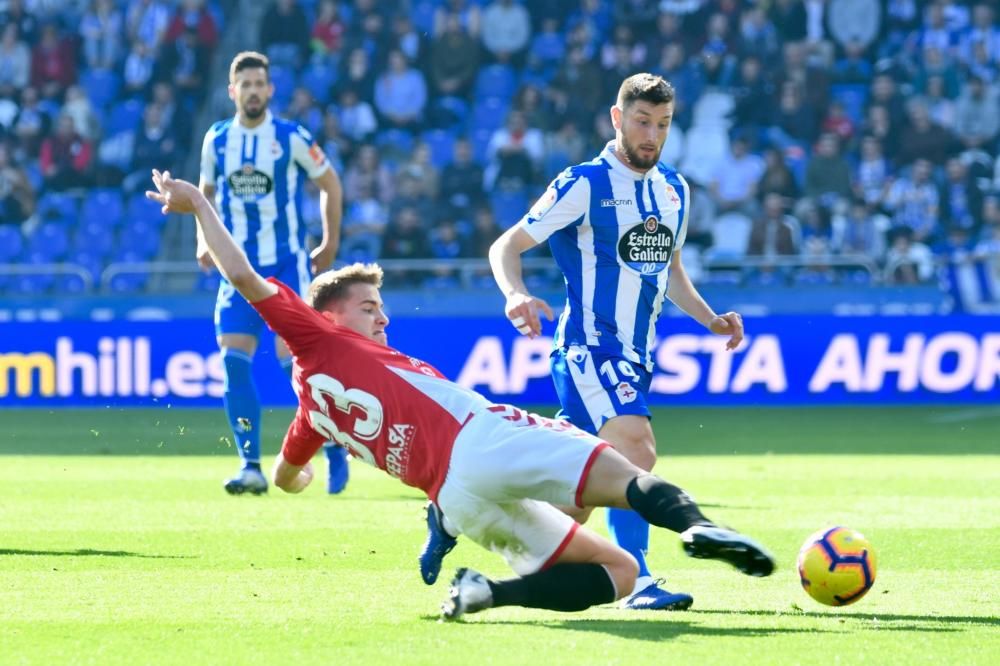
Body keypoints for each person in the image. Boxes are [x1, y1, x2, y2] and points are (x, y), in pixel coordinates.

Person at [145, 168, 776, 620]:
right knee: (632, 467)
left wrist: (299, 481)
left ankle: (486, 593)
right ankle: (696, 528)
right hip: (482, 438)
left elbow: (286, 476)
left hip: (460, 499)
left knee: (618, 573)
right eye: (370, 309)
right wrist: (201, 203)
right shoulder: (320, 338)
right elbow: (244, 276)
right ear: (330, 317)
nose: (383, 320)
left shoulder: (312, 411)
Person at [478, 73, 748, 612]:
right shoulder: (584, 182)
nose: (653, 135)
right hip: (588, 348)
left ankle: (494, 563)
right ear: (617, 118)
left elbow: (668, 268)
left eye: (664, 124)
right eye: (643, 122)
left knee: (573, 491)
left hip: (637, 355)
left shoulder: (675, 189)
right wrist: (515, 294)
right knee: (635, 450)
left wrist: (708, 318)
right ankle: (640, 580)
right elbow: (507, 244)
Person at [198, 51, 346, 496]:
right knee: (232, 362)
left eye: (260, 83)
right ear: (232, 91)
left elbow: (330, 184)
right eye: (245, 84)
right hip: (237, 269)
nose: (254, 91)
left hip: (286, 264)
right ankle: (250, 467)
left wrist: (331, 242)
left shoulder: (290, 136)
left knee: (296, 364)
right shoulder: (217, 140)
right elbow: (203, 193)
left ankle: (334, 444)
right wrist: (203, 242)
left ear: (270, 89)